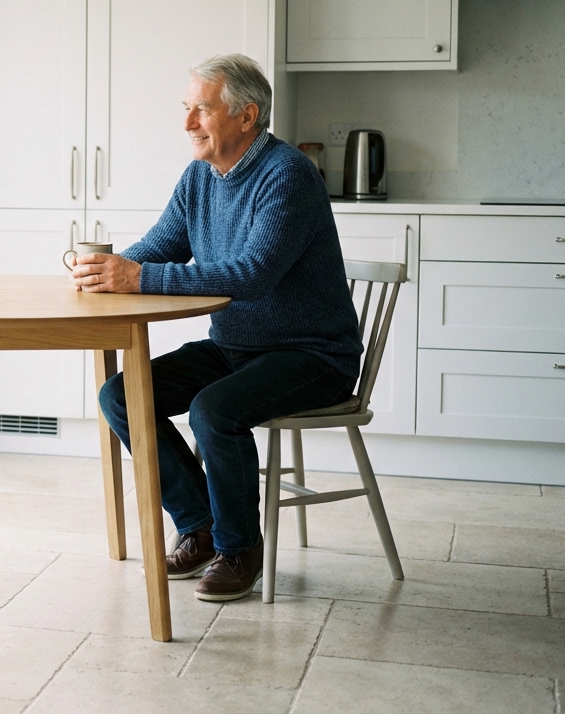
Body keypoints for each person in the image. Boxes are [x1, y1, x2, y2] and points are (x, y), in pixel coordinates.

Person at [70, 54, 362, 602]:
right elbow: (157, 250)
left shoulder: (289, 175)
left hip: (314, 355)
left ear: (246, 116)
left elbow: (252, 274)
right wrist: (107, 271)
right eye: (188, 109)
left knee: (214, 410)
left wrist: (140, 278)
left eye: (200, 111)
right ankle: (199, 525)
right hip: (237, 346)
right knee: (122, 395)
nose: (187, 125)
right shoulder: (200, 177)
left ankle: (239, 548)